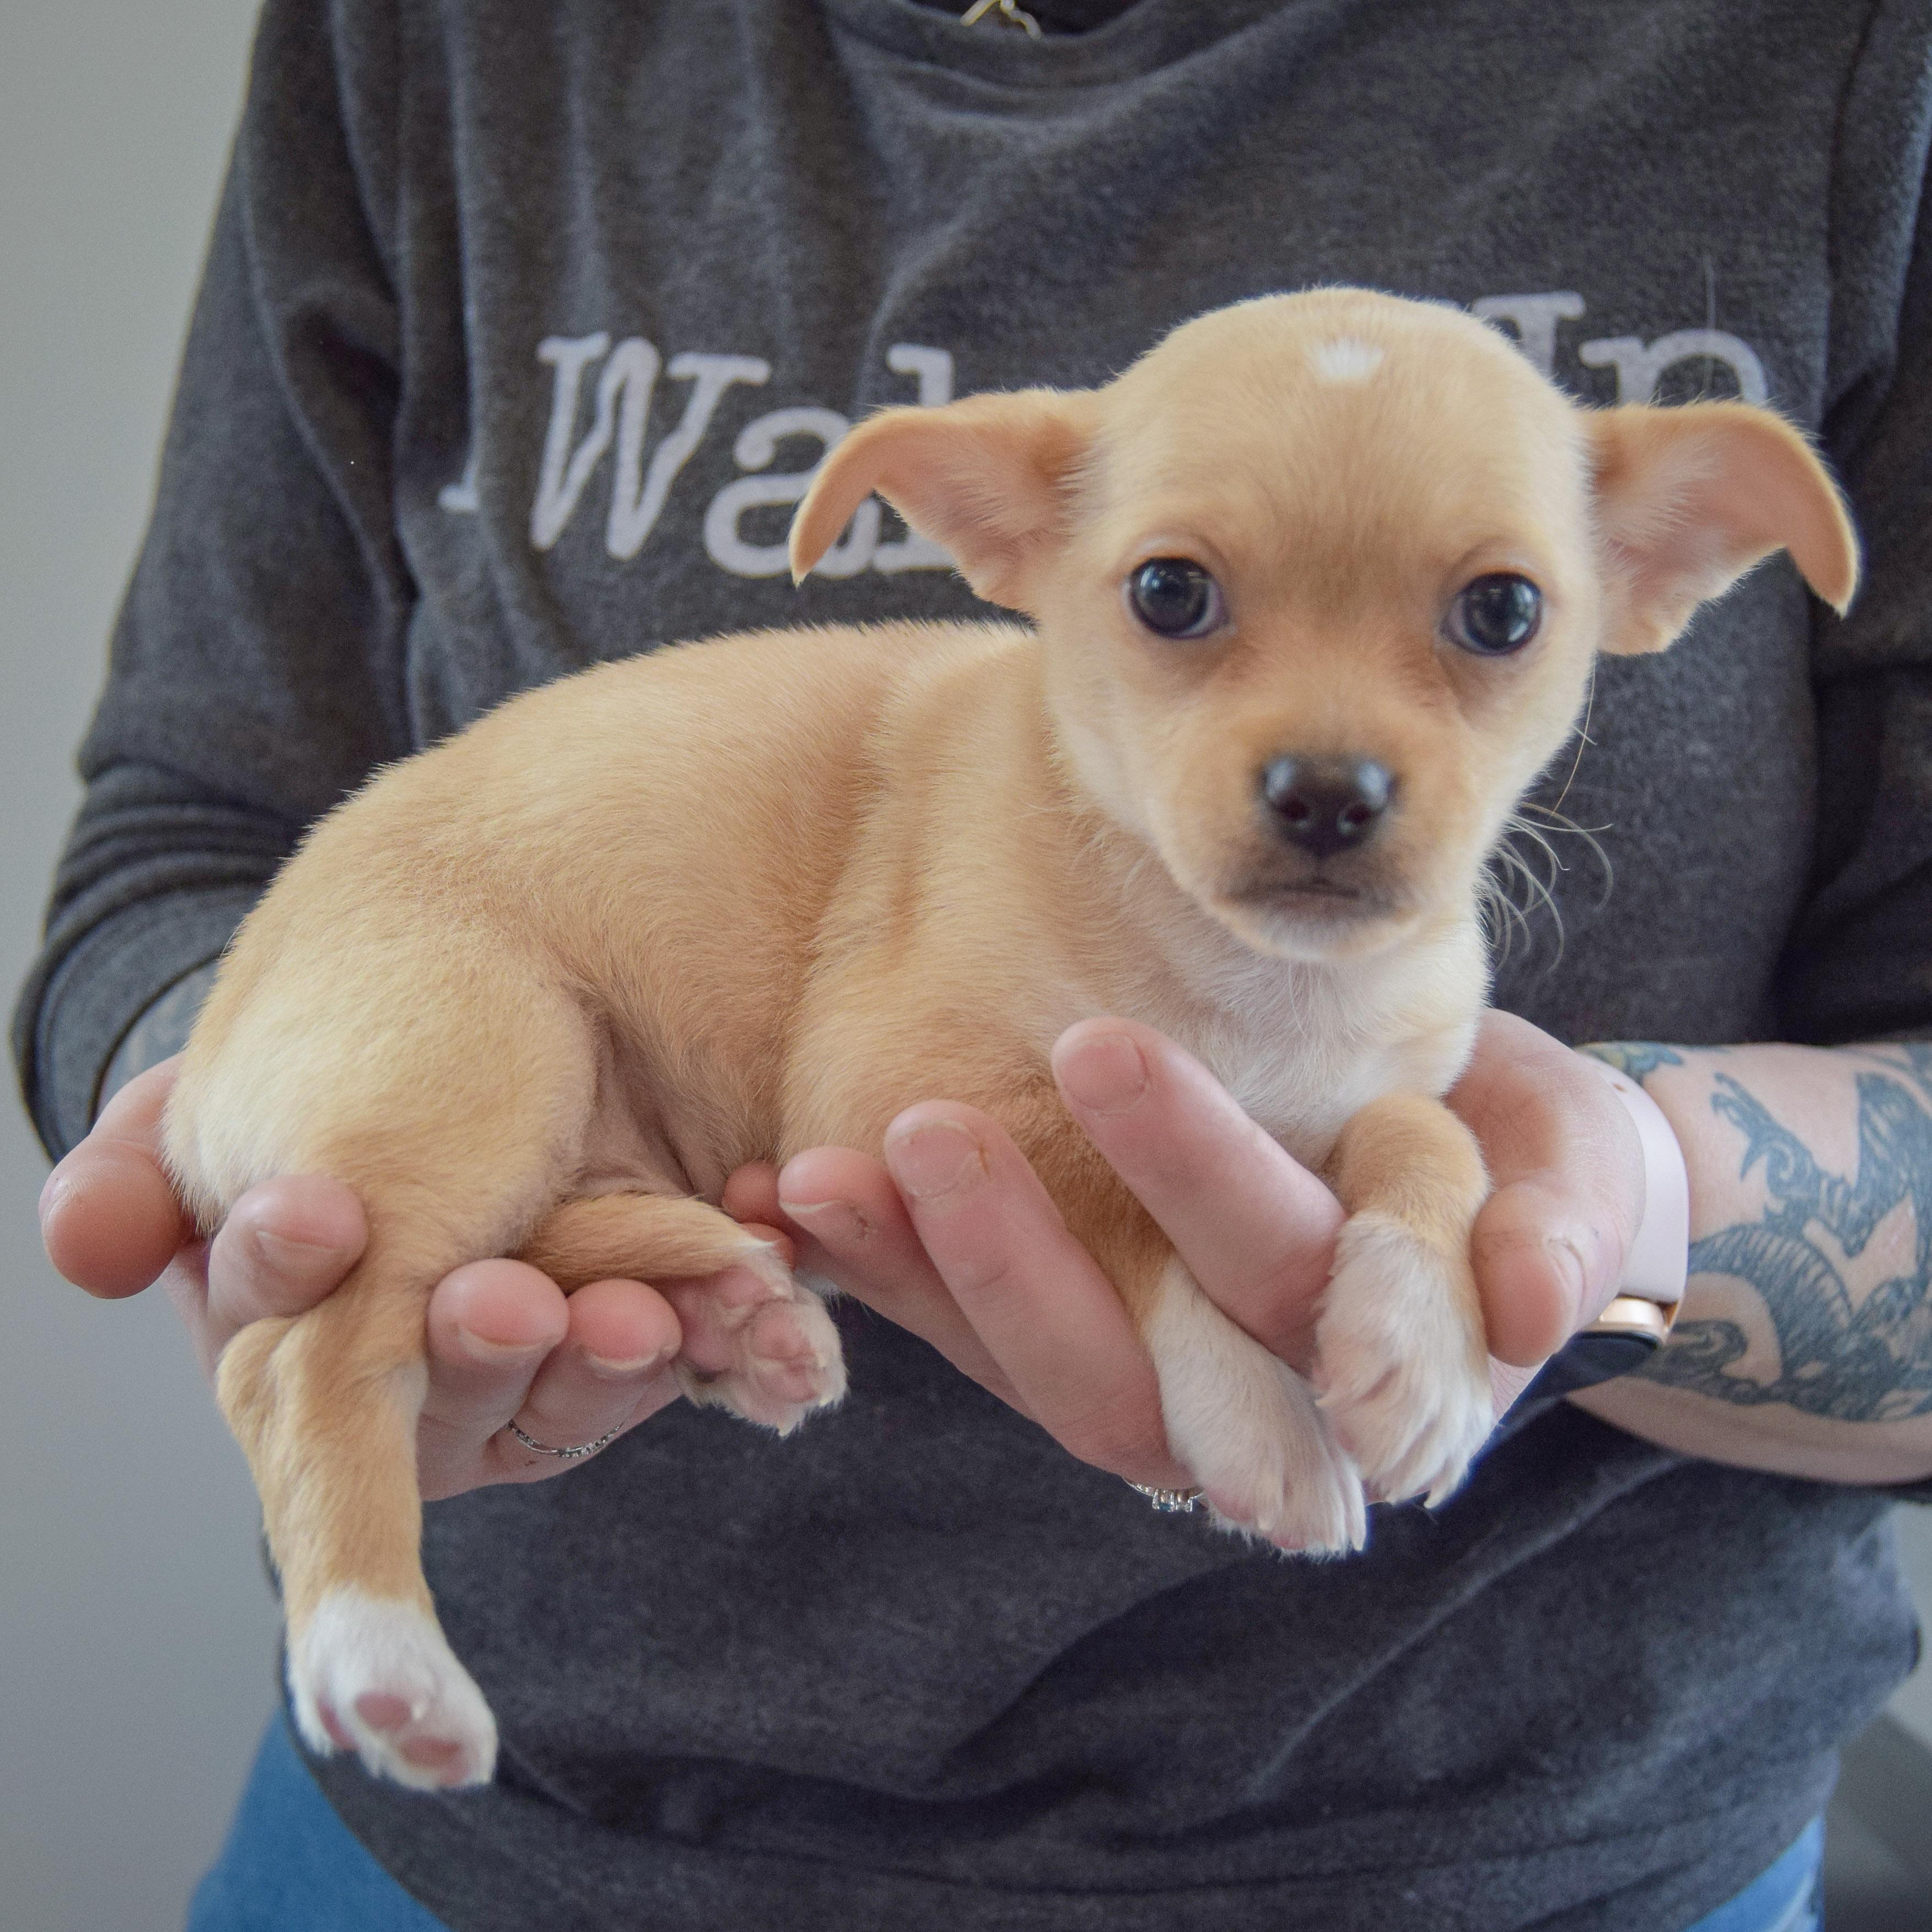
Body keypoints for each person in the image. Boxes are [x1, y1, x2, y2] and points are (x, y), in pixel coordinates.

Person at [18, 1, 1932, 1926]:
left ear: (1664, 564)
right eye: (1183, 602)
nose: (1335, 757)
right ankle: (361, 1566)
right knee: (416, 1207)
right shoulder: (430, 39)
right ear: (998, 527)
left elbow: (1421, 1116)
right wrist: (252, 1143)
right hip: (516, 1830)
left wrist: (1588, 1213)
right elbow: (202, 821)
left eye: (1491, 616)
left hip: (1556, 1850)